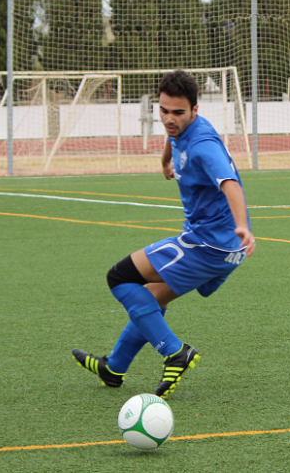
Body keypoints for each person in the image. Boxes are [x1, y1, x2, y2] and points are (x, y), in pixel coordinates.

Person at [72, 71, 256, 398]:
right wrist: (165, 161)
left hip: (207, 245)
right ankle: (114, 368)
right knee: (152, 298)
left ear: (196, 110)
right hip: (220, 248)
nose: (169, 119)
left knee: (120, 277)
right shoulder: (180, 129)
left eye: (178, 113)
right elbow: (173, 138)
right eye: (163, 110)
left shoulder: (203, 145)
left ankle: (175, 352)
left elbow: (230, 183)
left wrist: (243, 225)